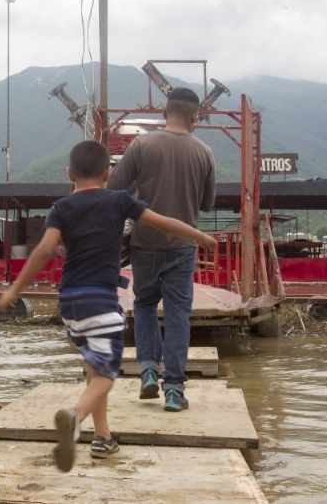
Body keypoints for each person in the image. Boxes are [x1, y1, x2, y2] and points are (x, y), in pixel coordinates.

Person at [0, 140, 216, 472]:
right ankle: (74, 418)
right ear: (108, 173)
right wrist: (198, 236)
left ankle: (103, 438)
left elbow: (44, 250)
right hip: (101, 300)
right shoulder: (119, 200)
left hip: (70, 302)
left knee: (94, 367)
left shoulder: (61, 208)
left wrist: (15, 288)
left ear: (69, 174)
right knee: (107, 374)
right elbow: (162, 221)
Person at [107, 87, 216, 412]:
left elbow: (115, 188)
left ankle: (149, 371)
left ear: (165, 112)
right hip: (183, 246)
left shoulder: (142, 144)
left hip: (145, 243)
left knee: (143, 304)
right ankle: (173, 390)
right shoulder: (204, 152)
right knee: (179, 313)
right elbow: (207, 204)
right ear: (195, 116)